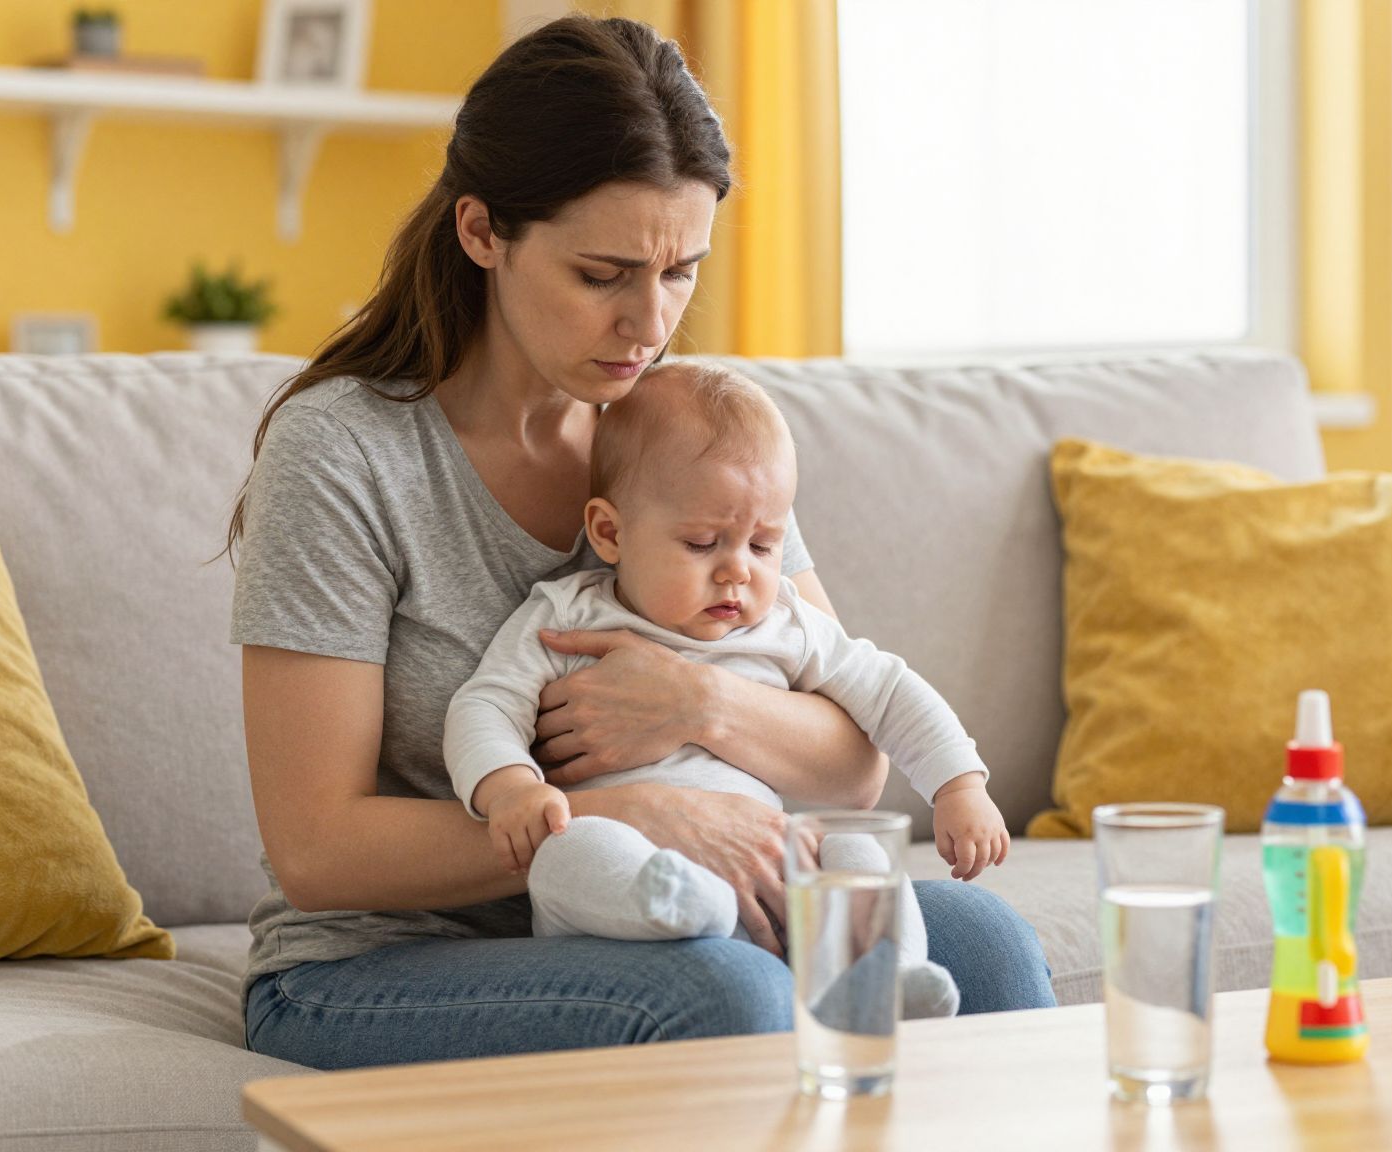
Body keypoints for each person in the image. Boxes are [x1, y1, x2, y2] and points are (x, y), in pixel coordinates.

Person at [226, 15, 1053, 1071]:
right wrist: (627, 815)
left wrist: (696, 702)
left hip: (669, 918)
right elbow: (317, 852)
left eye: (679, 273)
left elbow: (849, 758)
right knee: (724, 994)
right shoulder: (346, 452)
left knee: (983, 945)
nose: (647, 324)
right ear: (483, 232)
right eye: (603, 274)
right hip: (368, 969)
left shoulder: (685, 437)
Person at [445, 362, 1011, 1019]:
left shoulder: (786, 623)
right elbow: (487, 705)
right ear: (609, 532)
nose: (737, 571)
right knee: (565, 854)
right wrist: (511, 786)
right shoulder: (566, 614)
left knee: (857, 851)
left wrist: (959, 784)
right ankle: (678, 904)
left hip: (772, 870)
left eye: (764, 545)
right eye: (702, 543)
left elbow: (888, 691)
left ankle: (887, 970)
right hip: (629, 887)